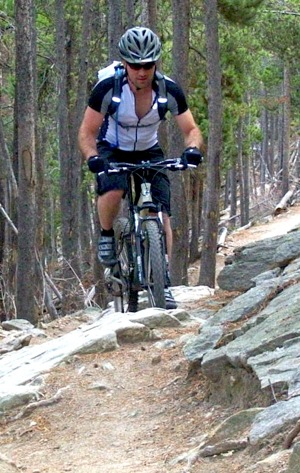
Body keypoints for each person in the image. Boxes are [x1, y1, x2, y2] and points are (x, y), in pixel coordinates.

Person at [78, 26, 204, 310]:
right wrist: (93, 158)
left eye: (148, 64)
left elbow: (191, 128)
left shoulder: (168, 89)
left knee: (161, 213)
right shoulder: (107, 89)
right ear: (125, 64)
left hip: (149, 150)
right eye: (135, 65)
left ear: (156, 63)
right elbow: (86, 132)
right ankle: (108, 234)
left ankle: (164, 280)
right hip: (112, 147)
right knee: (113, 191)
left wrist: (192, 150)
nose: (142, 71)